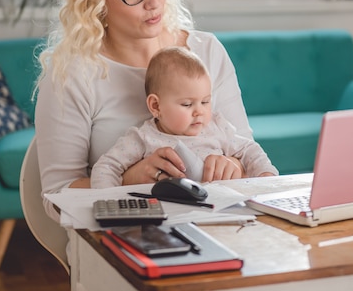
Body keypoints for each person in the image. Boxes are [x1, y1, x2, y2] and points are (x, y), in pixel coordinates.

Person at [35, 0, 278, 222]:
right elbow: (56, 197)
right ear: (96, 0)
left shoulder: (206, 52)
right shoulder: (72, 74)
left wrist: (235, 168)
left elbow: (245, 150)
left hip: (214, 223)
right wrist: (127, 181)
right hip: (123, 235)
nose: (154, 1)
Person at [91, 46, 277, 188]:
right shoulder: (143, 137)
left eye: (205, 102)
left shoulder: (216, 126)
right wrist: (110, 203)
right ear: (156, 106)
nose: (199, 112)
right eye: (187, 104)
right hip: (167, 216)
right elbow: (106, 167)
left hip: (218, 210)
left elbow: (250, 150)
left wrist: (266, 175)